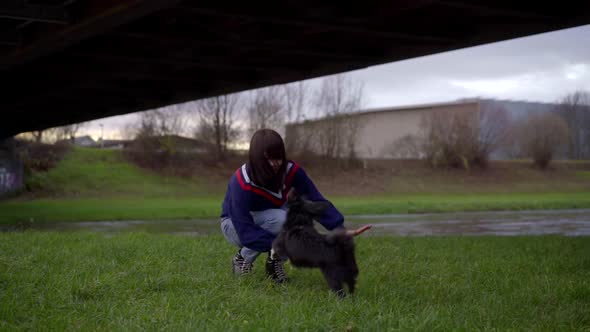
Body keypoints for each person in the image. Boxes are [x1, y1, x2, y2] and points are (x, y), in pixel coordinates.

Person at [220, 128, 370, 284]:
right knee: (283, 220)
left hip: (270, 218)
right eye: (267, 159)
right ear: (255, 158)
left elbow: (315, 201)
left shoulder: (292, 171)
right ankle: (242, 259)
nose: (274, 164)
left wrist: (340, 230)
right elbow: (245, 229)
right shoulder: (241, 181)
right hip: (233, 225)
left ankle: (274, 264)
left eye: (278, 158)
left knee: (295, 219)